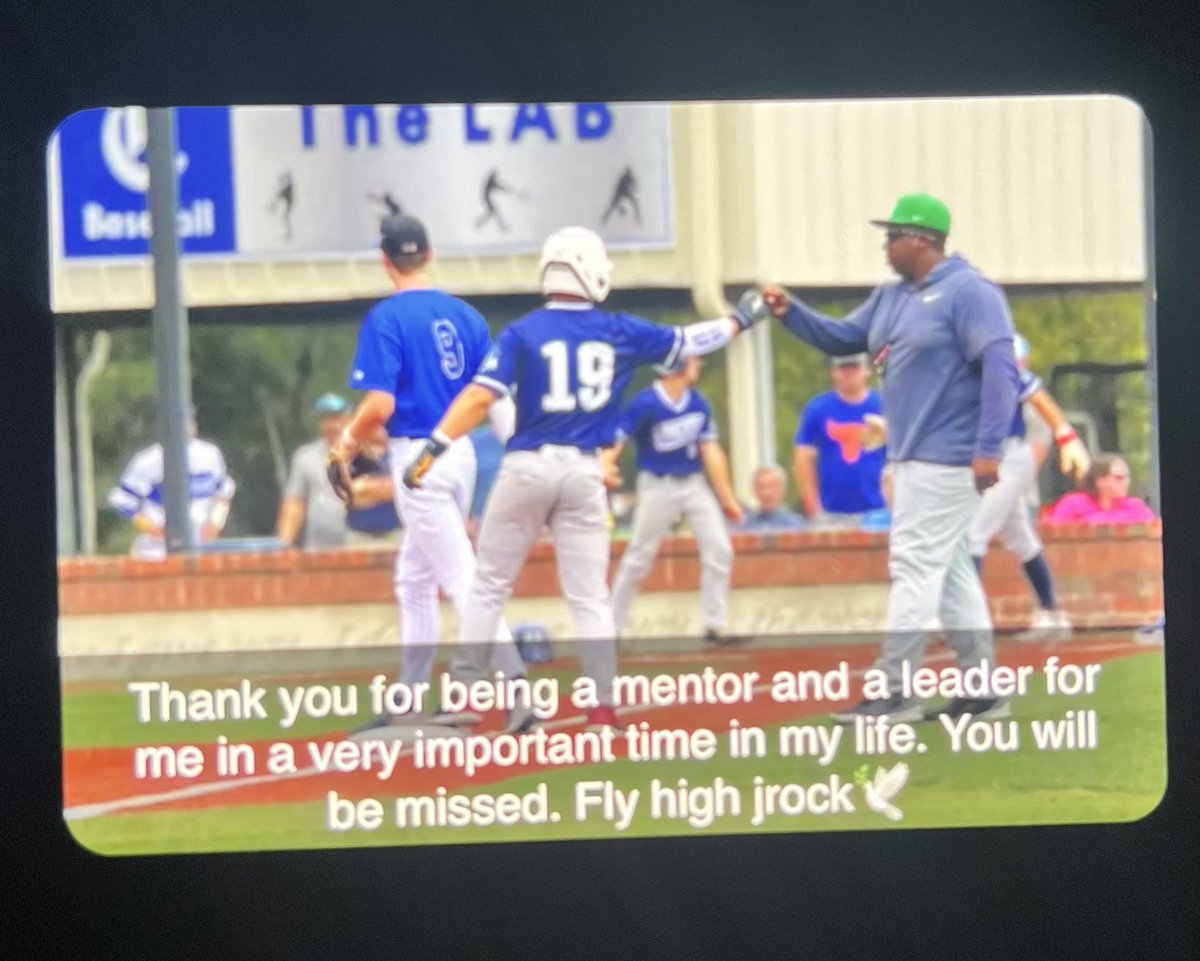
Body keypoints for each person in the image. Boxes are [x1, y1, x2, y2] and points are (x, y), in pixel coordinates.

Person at [402, 226, 763, 729]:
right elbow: (691, 340)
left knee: (488, 586)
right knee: (590, 596)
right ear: (589, 270)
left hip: (528, 466)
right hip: (585, 470)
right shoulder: (619, 329)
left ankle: (464, 694)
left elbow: (481, 396)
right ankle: (602, 706)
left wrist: (433, 447)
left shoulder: (523, 331)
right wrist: (742, 318)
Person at [759, 192, 1021, 723]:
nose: (885, 244)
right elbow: (841, 338)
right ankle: (982, 688)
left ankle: (895, 689)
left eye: (894, 235)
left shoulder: (970, 292)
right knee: (949, 570)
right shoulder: (891, 295)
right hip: (912, 456)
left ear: (923, 241)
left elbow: (1001, 369)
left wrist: (988, 448)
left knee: (913, 565)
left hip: (948, 457)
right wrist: (791, 312)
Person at [327, 213, 528, 731]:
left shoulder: (387, 317)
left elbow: (380, 403)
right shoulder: (466, 316)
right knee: (414, 578)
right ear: (429, 254)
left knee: (460, 576)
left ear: (385, 260)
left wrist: (347, 440)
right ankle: (409, 702)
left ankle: (517, 688)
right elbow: (496, 398)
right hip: (459, 454)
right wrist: (518, 450)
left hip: (418, 457)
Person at [603, 355, 743, 646]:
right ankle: (611, 627)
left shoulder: (697, 402)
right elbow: (618, 440)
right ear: (677, 368)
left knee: (720, 550)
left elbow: (710, 450)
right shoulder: (646, 403)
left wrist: (727, 497)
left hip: (693, 483)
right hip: (658, 485)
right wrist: (605, 466)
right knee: (639, 556)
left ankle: (714, 625)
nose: (697, 366)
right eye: (692, 362)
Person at [967, 334, 1086, 641]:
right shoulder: (968, 373)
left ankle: (970, 623)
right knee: (1020, 536)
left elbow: (1042, 405)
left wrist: (1066, 437)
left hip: (1010, 457)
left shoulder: (1010, 374)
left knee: (972, 534)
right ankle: (1051, 612)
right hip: (986, 457)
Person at [106, 410, 235, 560]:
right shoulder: (148, 460)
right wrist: (154, 529)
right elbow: (123, 501)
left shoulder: (210, 454)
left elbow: (223, 494)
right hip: (156, 553)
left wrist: (215, 524)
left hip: (201, 549)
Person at [277, 393, 399, 549]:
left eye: (336, 418)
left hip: (363, 536)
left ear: (350, 419)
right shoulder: (305, 457)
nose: (331, 425)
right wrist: (284, 543)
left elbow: (397, 487)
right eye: (325, 419)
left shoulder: (371, 451)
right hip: (319, 546)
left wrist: (371, 490)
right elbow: (295, 502)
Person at [792, 353, 887, 527]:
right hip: (830, 512)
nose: (849, 373)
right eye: (843, 368)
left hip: (879, 510)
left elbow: (898, 456)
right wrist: (812, 504)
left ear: (867, 370)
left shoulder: (883, 406)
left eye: (855, 367)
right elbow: (803, 458)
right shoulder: (818, 409)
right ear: (833, 372)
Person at [1044, 453, 1155, 525]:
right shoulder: (1073, 503)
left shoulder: (1134, 505)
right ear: (1099, 481)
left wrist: (1091, 520)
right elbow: (1052, 528)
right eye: (1118, 478)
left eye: (1127, 477)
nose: (1125, 483)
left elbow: (1150, 521)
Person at [738, 465, 807, 532]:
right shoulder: (746, 525)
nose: (767, 492)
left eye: (773, 486)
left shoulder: (796, 525)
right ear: (754, 490)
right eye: (762, 487)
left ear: (783, 490)